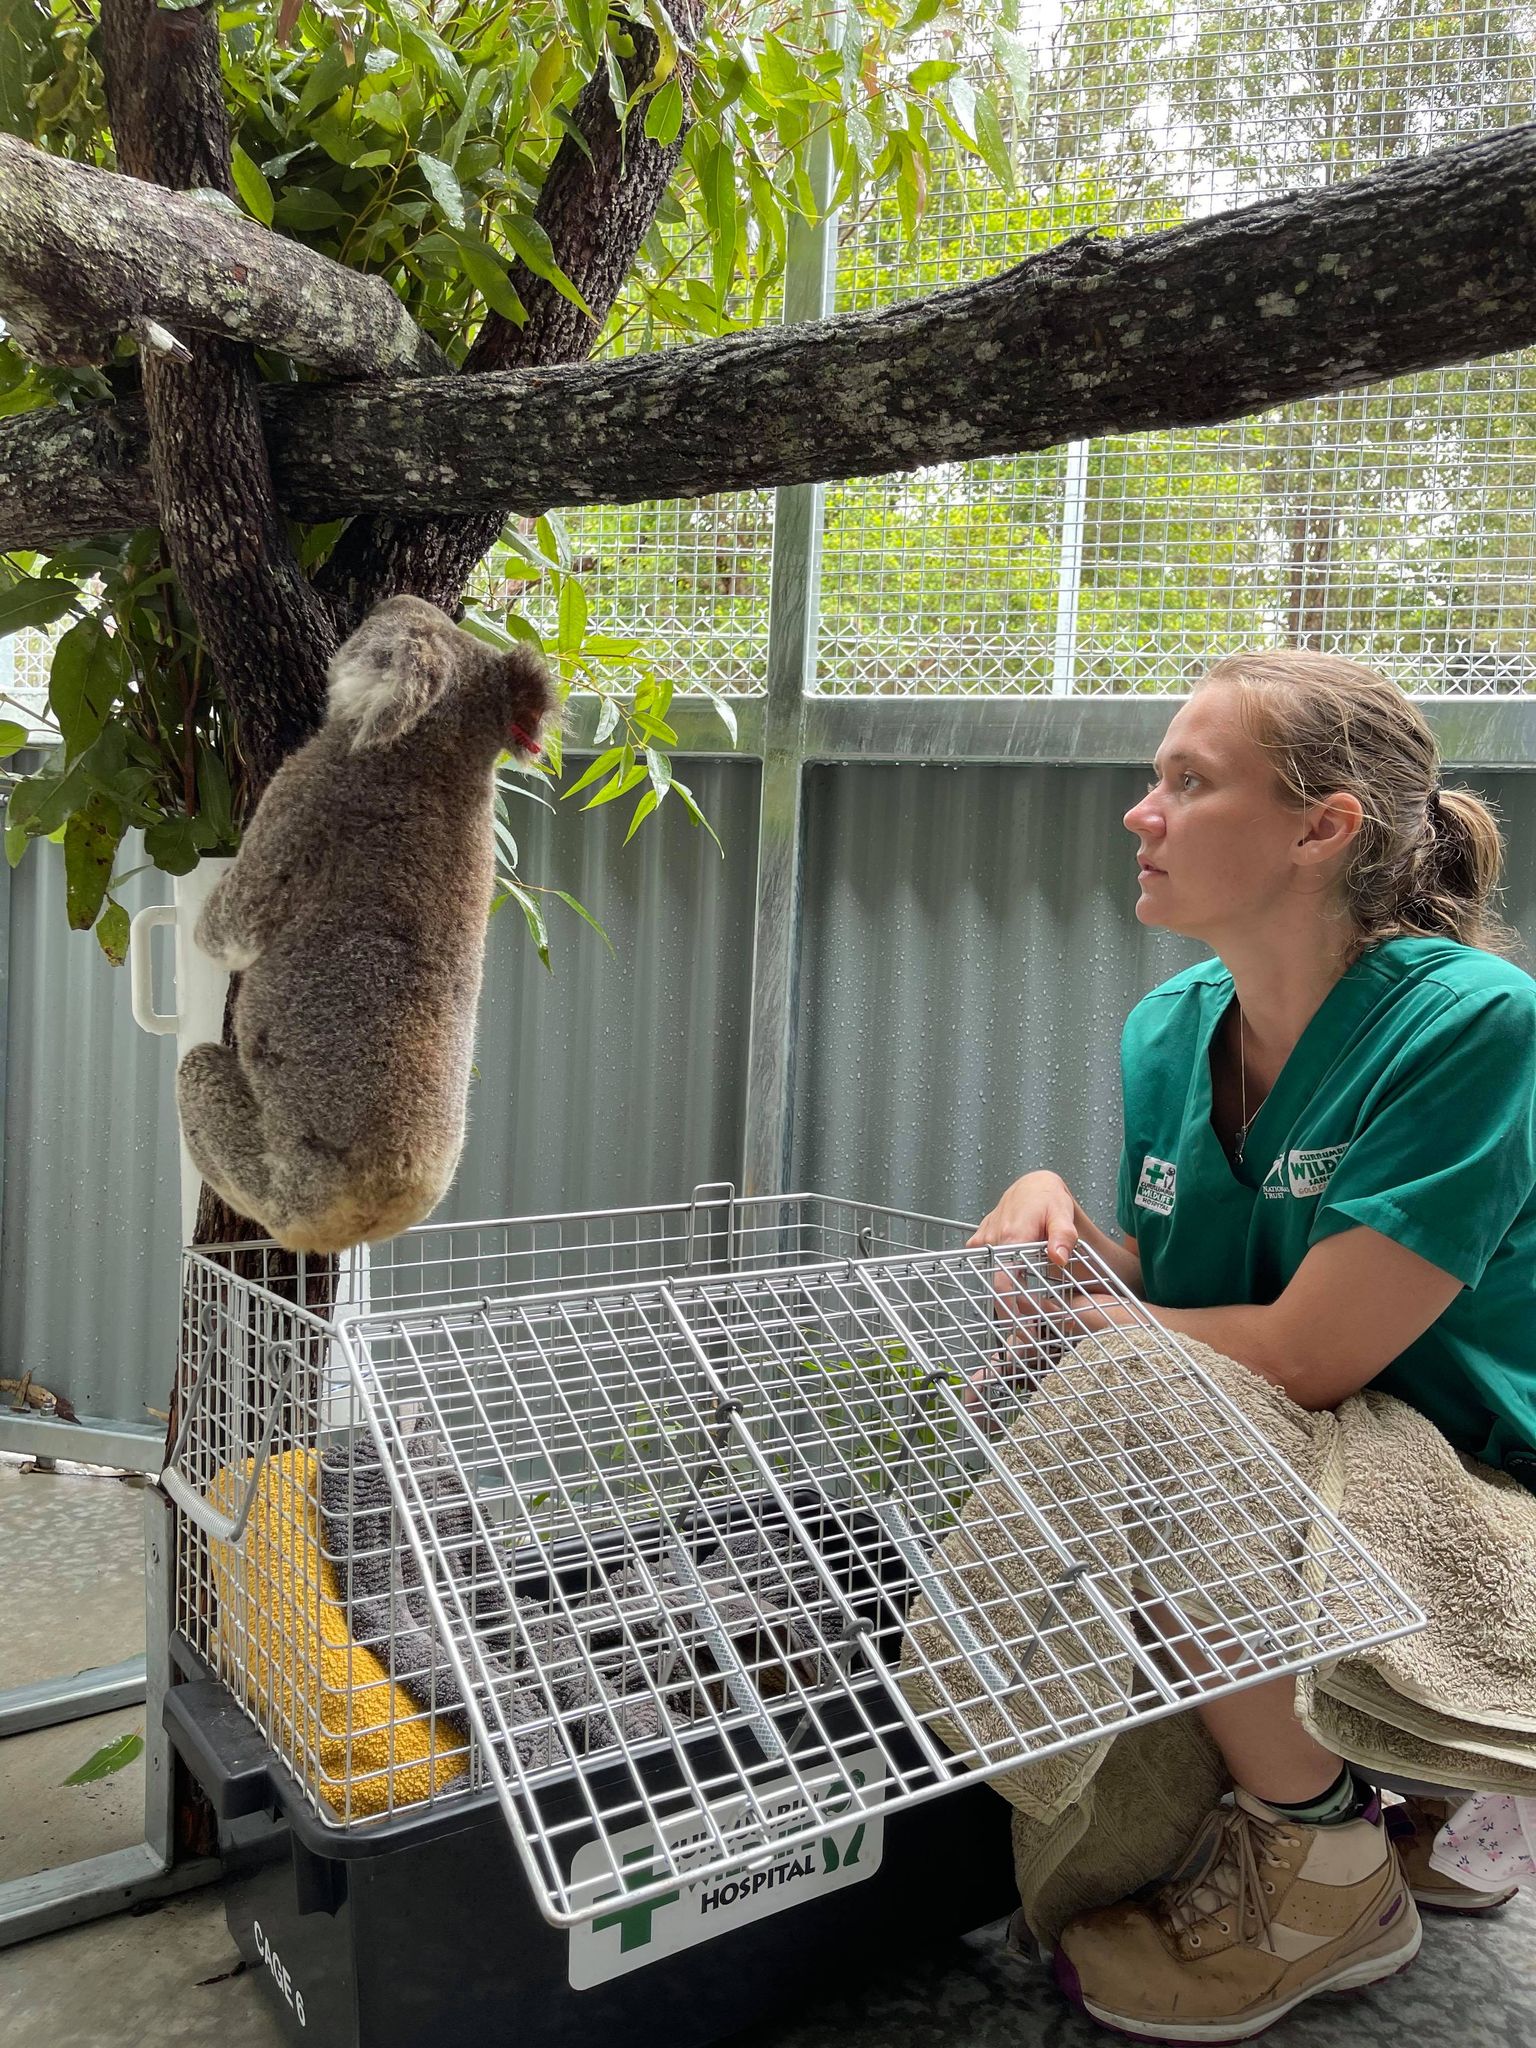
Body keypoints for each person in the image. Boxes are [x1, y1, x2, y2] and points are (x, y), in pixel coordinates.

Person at [970, 649, 1536, 2042]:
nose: (1138, 813)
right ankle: (1387, 1791)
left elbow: (1306, 1350)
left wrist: (1109, 1332)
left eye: (1187, 781)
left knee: (1123, 1380)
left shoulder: (1474, 1026)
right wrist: (1062, 1234)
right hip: (1308, 1492)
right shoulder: (1170, 1031)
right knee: (1096, 1360)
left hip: (1470, 1509)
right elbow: (1200, 1275)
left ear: (1321, 827)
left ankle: (1328, 1858)